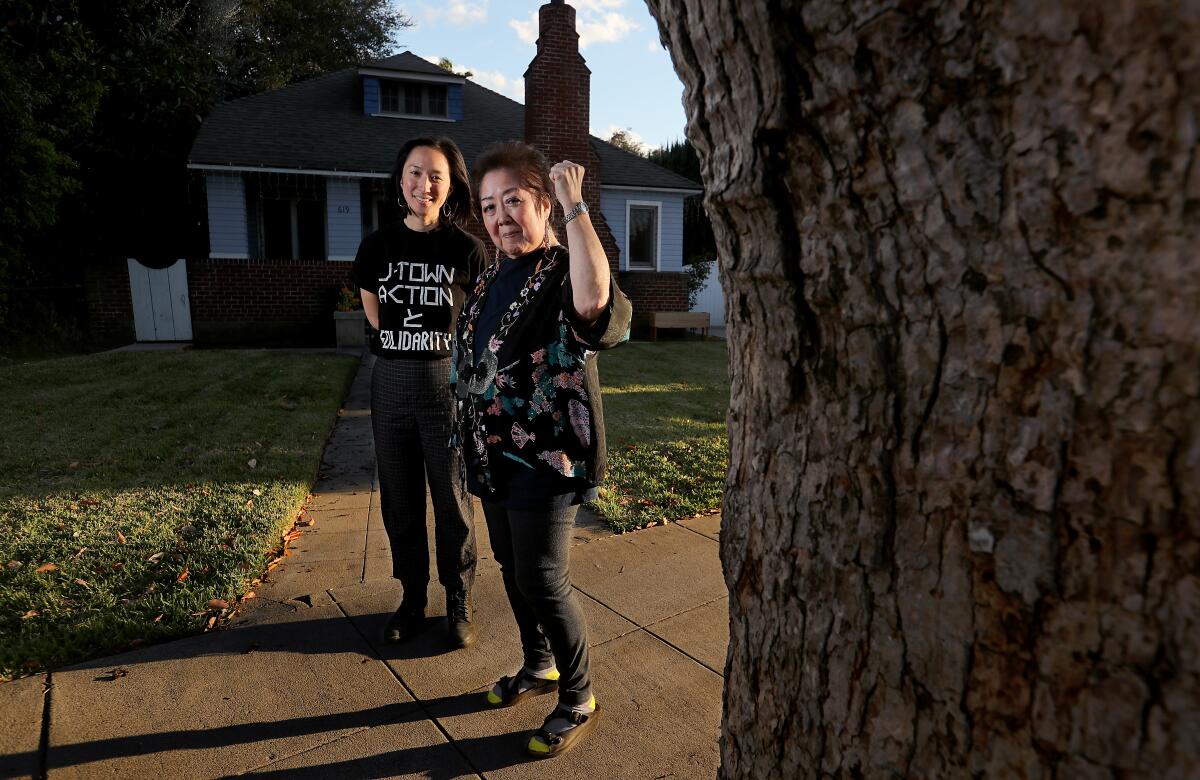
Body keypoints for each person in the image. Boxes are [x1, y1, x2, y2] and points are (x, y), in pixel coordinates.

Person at [451, 141, 631, 758]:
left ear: (542, 205)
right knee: (512, 566)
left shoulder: (563, 267)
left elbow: (596, 307)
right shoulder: (489, 279)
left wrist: (576, 206)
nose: (500, 216)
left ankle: (578, 696)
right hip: (491, 455)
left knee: (543, 577)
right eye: (489, 206)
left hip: (548, 457)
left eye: (515, 202)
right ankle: (540, 666)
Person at [353, 136, 487, 649]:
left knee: (452, 498)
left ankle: (459, 600)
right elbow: (375, 315)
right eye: (414, 173)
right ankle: (412, 599)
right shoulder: (376, 246)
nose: (423, 185)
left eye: (435, 176)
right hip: (389, 384)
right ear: (400, 179)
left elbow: (474, 324)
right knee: (400, 499)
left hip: (444, 387)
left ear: (450, 185)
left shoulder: (467, 250)